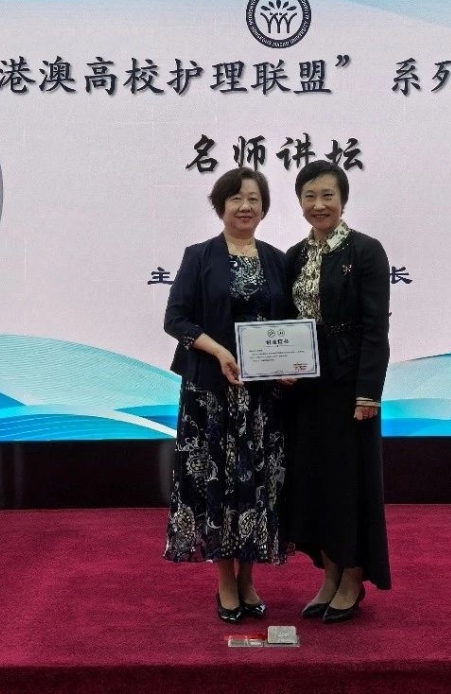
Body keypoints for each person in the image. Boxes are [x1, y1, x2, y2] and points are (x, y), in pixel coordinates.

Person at [162, 167, 292, 623]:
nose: (245, 207)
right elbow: (175, 319)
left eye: (253, 199)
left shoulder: (278, 260)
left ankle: (249, 579)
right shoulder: (199, 256)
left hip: (260, 401)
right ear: (221, 205)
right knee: (216, 485)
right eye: (236, 198)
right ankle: (225, 582)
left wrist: (290, 366)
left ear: (264, 208)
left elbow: (288, 326)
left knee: (256, 487)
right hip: (211, 396)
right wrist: (219, 351)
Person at [282, 160, 391, 623]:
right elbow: (284, 324)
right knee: (313, 482)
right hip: (304, 389)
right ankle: (329, 577)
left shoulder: (366, 251)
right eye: (309, 196)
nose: (318, 204)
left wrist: (368, 393)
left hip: (348, 389)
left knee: (348, 484)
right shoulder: (294, 255)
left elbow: (375, 327)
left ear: (343, 200)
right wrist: (278, 369)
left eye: (327, 195)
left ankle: (352, 579)